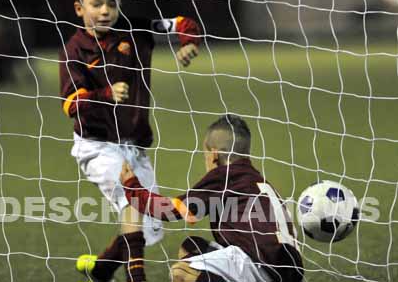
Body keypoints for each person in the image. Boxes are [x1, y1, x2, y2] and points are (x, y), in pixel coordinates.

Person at [59, 0, 201, 282]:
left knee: (150, 225)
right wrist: (105, 95)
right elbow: (70, 104)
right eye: (97, 4)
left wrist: (188, 42)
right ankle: (137, 278)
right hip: (96, 145)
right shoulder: (74, 50)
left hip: (133, 145)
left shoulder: (135, 28)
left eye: (111, 3)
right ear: (79, 8)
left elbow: (182, 24)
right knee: (132, 197)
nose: (105, 10)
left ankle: (101, 268)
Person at [120, 115, 304, 282]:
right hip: (286, 270)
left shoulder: (226, 176)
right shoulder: (255, 181)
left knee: (182, 273)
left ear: (214, 155)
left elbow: (169, 210)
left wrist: (131, 186)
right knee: (192, 247)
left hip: (261, 267)